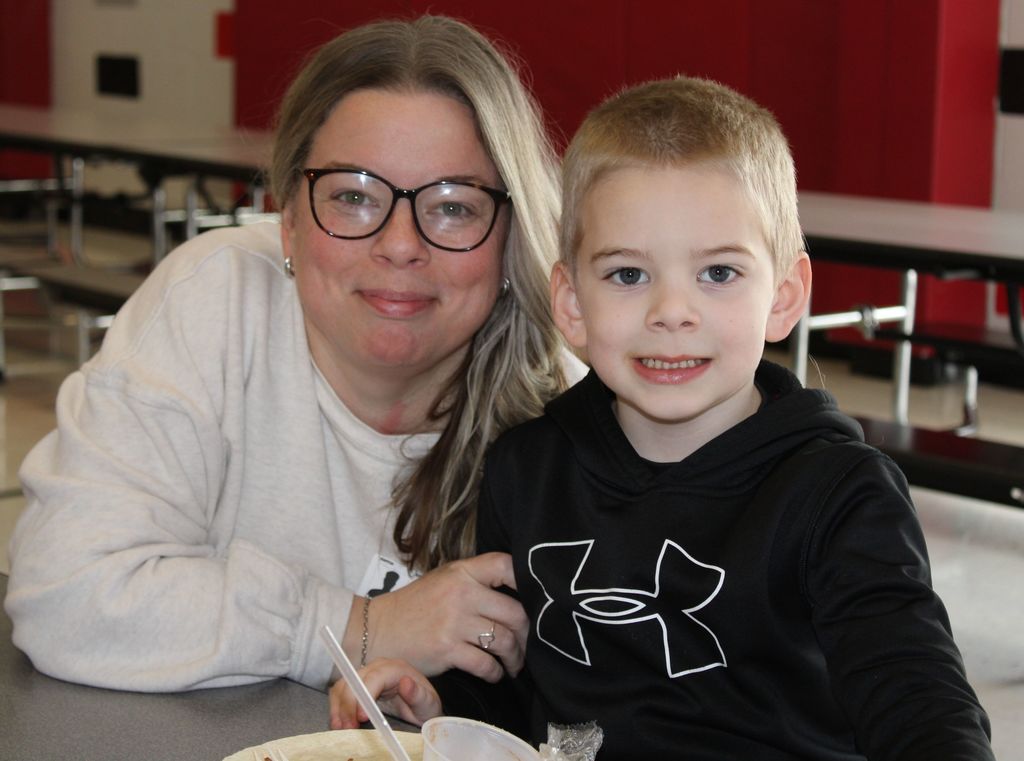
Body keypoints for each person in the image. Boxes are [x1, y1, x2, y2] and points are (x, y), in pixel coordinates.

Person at [330, 77, 995, 760]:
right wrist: (438, 702)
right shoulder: (528, 469)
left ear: (784, 296)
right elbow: (519, 687)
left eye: (718, 274)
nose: (671, 312)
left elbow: (916, 695)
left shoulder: (839, 493)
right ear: (572, 304)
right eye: (628, 275)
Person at [4, 15, 583, 692]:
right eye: (353, 197)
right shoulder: (216, 301)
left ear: (509, 237)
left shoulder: (568, 402)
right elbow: (65, 590)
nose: (401, 244)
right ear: (288, 225)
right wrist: (360, 628)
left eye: (453, 206)